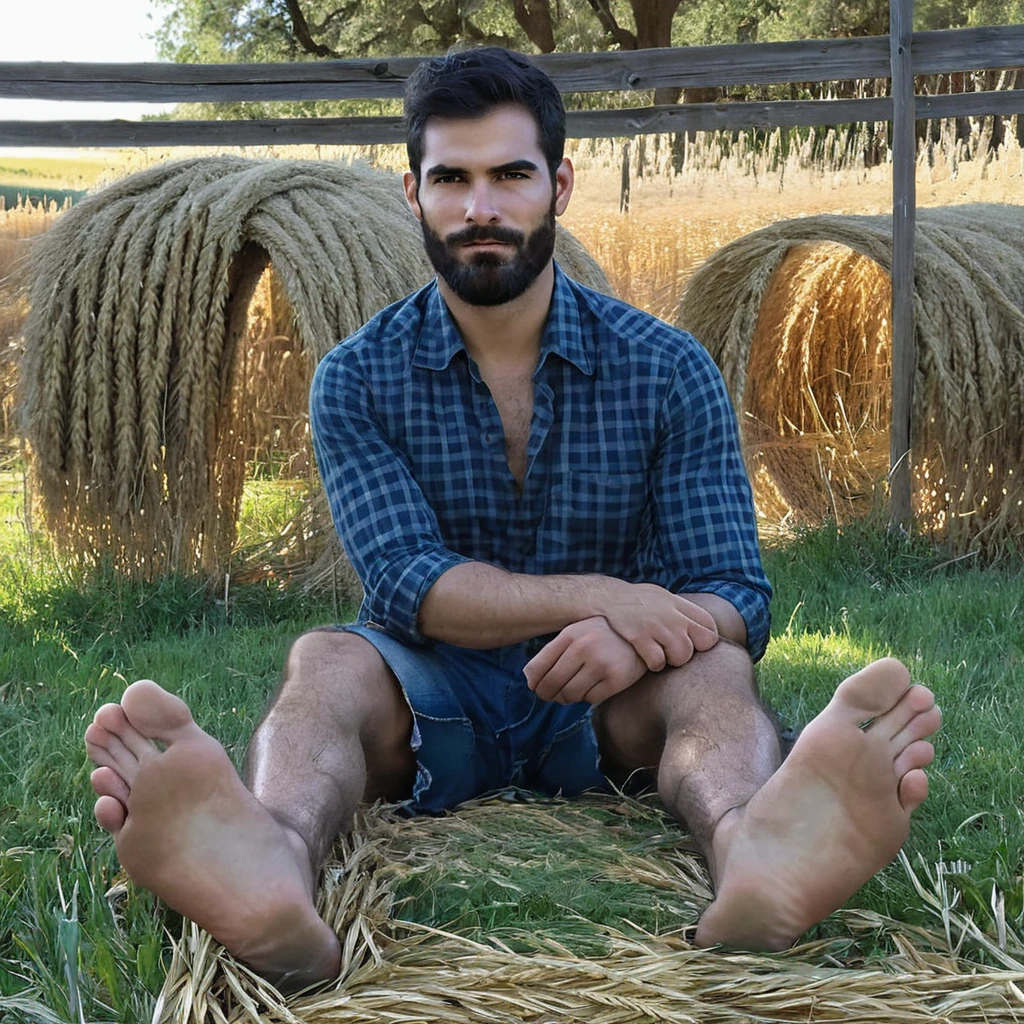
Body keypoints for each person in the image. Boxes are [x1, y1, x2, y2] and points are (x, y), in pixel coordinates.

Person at [84, 47, 941, 991]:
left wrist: (641, 645)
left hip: (610, 709)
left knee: (718, 666)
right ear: (412, 192)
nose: (479, 207)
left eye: (509, 175)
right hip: (427, 697)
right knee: (322, 662)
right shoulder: (357, 378)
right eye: (451, 178)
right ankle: (271, 865)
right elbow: (409, 584)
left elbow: (735, 590)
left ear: (559, 184)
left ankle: (756, 854)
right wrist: (605, 598)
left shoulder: (669, 368)